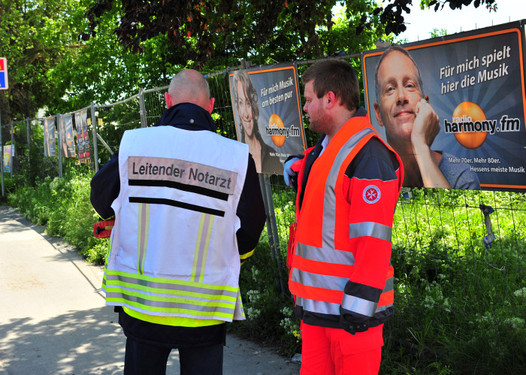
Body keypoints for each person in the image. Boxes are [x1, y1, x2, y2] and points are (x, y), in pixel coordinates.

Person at [90, 69, 266, 375]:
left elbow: (100, 196)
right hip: (205, 310)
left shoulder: (135, 145)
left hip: (143, 303)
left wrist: (120, 220)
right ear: (211, 105)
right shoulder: (236, 156)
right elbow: (251, 227)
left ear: (168, 101)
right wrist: (223, 254)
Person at [283, 59, 403, 374]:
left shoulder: (369, 156)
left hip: (351, 320)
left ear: (331, 99)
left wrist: (357, 312)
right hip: (318, 314)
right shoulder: (325, 151)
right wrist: (298, 166)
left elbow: (373, 241)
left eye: (308, 100)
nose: (305, 108)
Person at [373, 45, 480, 189]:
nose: (401, 97)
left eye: (409, 85)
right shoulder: (370, 178)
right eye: (390, 89)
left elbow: (446, 213)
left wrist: (421, 147)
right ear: (378, 114)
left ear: (426, 104)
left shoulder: (461, 178)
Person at [232, 69, 282, 174]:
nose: (246, 114)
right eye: (241, 103)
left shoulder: (271, 153)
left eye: (248, 103)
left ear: (254, 106)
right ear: (236, 106)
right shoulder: (235, 157)